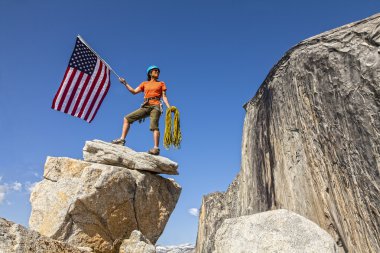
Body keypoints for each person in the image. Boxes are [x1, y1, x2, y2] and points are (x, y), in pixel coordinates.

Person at [111, 65, 171, 156]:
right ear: (150, 73)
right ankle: (122, 140)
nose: (157, 72)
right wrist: (125, 83)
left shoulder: (161, 83)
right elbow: (134, 92)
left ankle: (156, 148)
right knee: (127, 118)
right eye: (155, 70)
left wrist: (169, 107)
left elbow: (164, 97)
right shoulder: (144, 83)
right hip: (145, 106)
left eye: (158, 71)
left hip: (156, 106)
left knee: (154, 126)